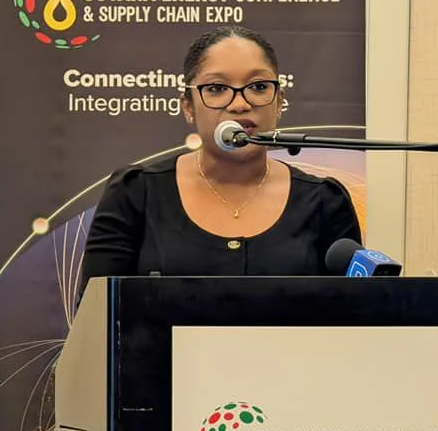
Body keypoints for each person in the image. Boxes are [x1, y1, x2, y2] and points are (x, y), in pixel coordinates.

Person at [79, 25, 361, 291]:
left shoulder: (324, 201)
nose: (240, 104)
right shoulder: (136, 194)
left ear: (278, 102)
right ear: (188, 106)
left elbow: (351, 315)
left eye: (258, 87)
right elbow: (95, 316)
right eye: (216, 89)